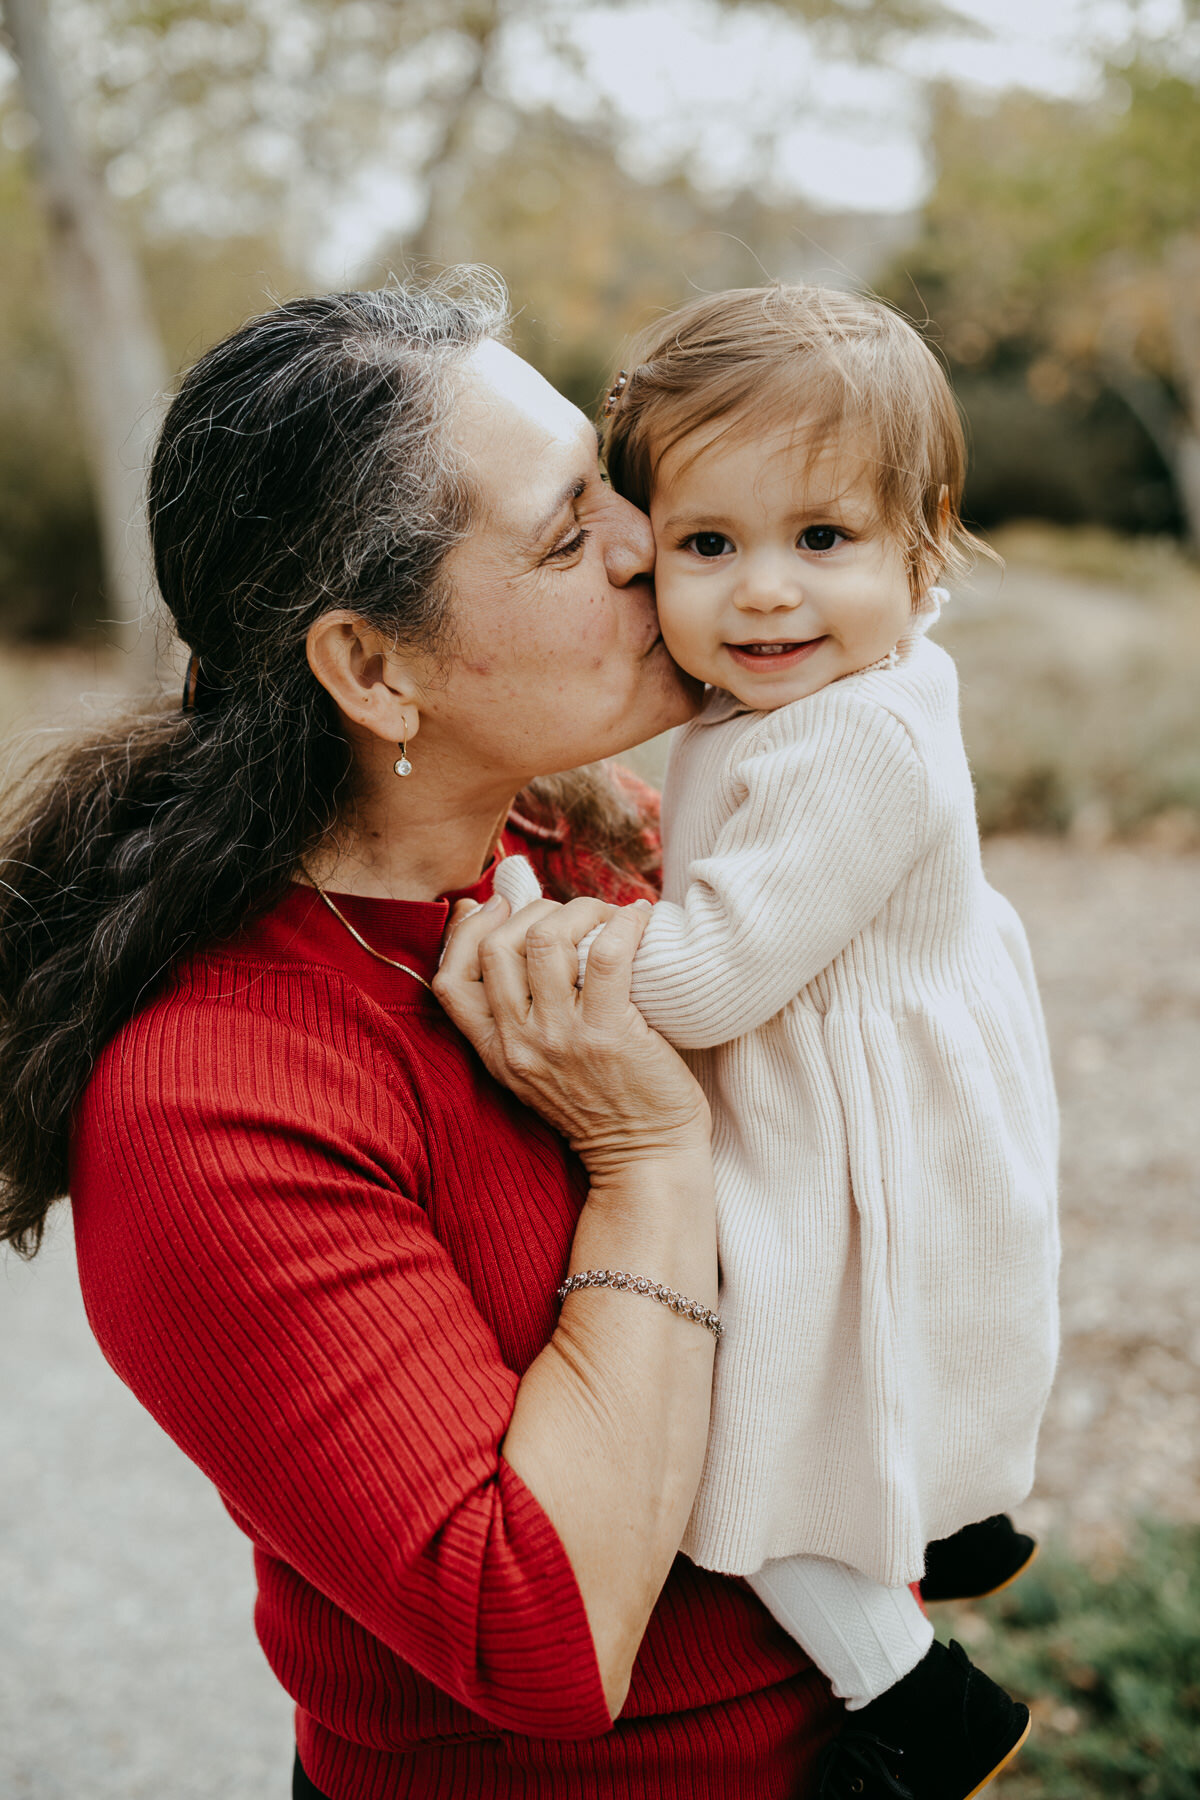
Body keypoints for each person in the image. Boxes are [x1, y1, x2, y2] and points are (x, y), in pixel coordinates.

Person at [0, 278, 840, 1799]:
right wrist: (646, 1159)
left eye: (610, 483)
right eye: (569, 531)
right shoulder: (212, 1102)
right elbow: (545, 1642)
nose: (651, 539)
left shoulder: (601, 836)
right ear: (375, 667)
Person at [497, 285, 1060, 1800]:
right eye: (708, 546)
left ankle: (912, 1688)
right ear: (648, 542)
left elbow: (701, 980)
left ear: (919, 542)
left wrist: (563, 937)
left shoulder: (860, 735)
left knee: (745, 1421)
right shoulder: (823, 675)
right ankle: (950, 1511)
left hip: (835, 1095)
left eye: (823, 541)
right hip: (857, 1061)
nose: (762, 597)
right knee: (887, 1342)